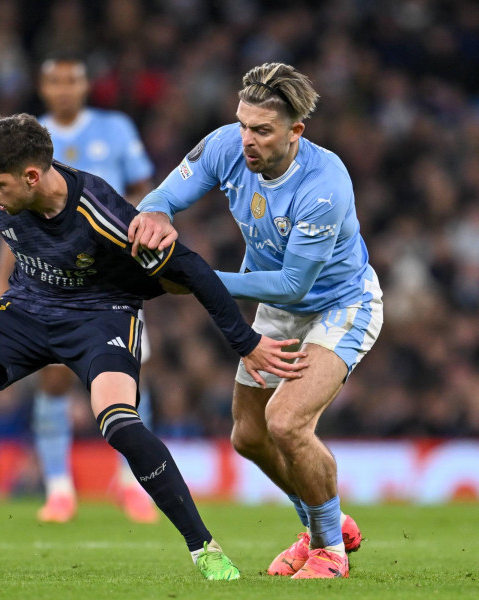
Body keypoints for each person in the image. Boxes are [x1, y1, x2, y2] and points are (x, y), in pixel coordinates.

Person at [0, 114, 309, 580]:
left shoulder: (104, 214)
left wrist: (246, 341)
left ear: (32, 177)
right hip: (27, 309)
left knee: (118, 421)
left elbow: (193, 270)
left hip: (102, 316)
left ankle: (204, 548)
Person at [128, 63, 383, 579]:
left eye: (262, 130)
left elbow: (295, 285)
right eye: (244, 123)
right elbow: (166, 194)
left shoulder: (325, 183)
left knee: (286, 421)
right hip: (280, 309)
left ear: (296, 132)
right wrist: (155, 211)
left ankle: (329, 550)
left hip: (339, 305)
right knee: (248, 436)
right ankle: (321, 522)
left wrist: (200, 277)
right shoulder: (227, 145)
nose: (247, 138)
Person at [0, 55, 158, 524]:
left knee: (132, 371)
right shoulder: (23, 137)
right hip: (48, 275)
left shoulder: (117, 128)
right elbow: (6, 216)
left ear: (86, 85)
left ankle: (132, 482)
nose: (64, 89)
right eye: (55, 81)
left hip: (115, 276)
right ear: (43, 88)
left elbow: (145, 194)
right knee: (55, 373)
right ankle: (60, 488)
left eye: (73, 80)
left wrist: (145, 247)